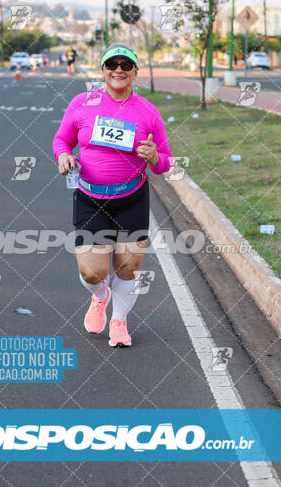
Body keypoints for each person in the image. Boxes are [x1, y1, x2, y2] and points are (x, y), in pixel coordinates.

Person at [53, 43, 172, 347]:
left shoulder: (148, 112)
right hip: (90, 197)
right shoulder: (83, 102)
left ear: (135, 72)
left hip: (131, 197)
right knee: (93, 272)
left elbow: (165, 163)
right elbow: (62, 139)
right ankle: (100, 296)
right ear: (103, 70)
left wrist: (155, 157)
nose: (118, 69)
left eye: (125, 65)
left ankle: (119, 322)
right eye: (112, 64)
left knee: (128, 267)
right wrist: (64, 156)